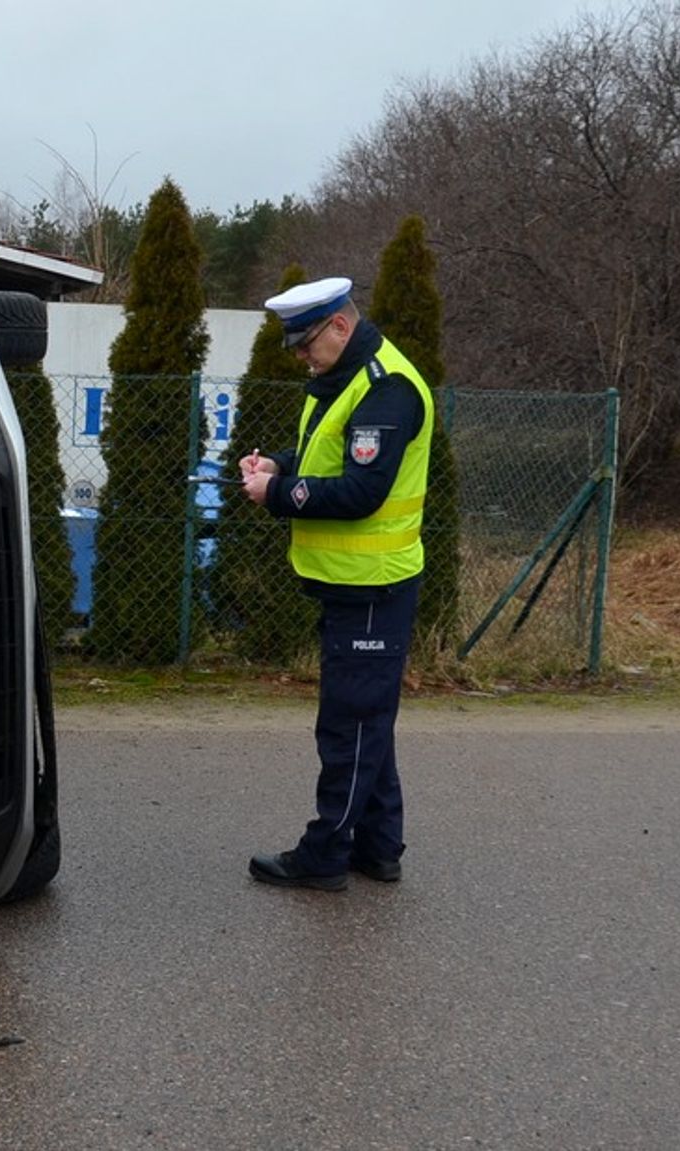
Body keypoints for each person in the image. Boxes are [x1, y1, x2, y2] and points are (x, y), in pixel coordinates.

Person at [240, 276, 435, 892]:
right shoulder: (348, 380)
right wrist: (282, 463)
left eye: (305, 343)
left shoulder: (385, 388)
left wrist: (276, 494)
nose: (300, 356)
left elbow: (361, 491)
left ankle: (325, 853)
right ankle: (379, 848)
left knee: (349, 724)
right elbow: (334, 459)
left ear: (341, 327)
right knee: (366, 716)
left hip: (372, 585)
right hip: (355, 584)